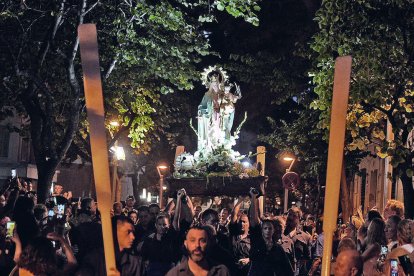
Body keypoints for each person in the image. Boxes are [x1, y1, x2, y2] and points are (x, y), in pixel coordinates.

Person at [248, 188, 293, 275]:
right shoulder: (257, 242)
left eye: (270, 228)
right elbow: (253, 219)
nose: (267, 230)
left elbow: (288, 270)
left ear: (273, 230)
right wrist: (254, 198)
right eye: (265, 228)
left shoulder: (278, 248)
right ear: (262, 230)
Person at [229, 197, 251, 276]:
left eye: (244, 222)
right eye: (240, 221)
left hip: (248, 271)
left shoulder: (252, 239)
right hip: (233, 271)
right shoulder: (234, 234)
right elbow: (233, 214)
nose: (242, 224)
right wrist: (240, 199)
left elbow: (259, 256)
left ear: (249, 224)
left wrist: (249, 260)